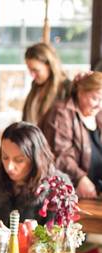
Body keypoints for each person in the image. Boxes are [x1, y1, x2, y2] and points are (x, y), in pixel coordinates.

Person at [0, 122, 68, 228]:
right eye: (5, 157)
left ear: (36, 159)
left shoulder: (57, 187)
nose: (9, 167)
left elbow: (56, 239)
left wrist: (17, 238)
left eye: (19, 160)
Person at [40, 71, 102, 199]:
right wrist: (80, 179)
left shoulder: (98, 114)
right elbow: (61, 155)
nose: (100, 105)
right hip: (69, 193)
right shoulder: (61, 113)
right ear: (81, 92)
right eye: (96, 98)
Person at [23, 43, 72, 124]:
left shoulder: (66, 88)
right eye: (29, 70)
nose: (31, 75)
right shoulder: (35, 86)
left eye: (35, 70)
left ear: (49, 65)